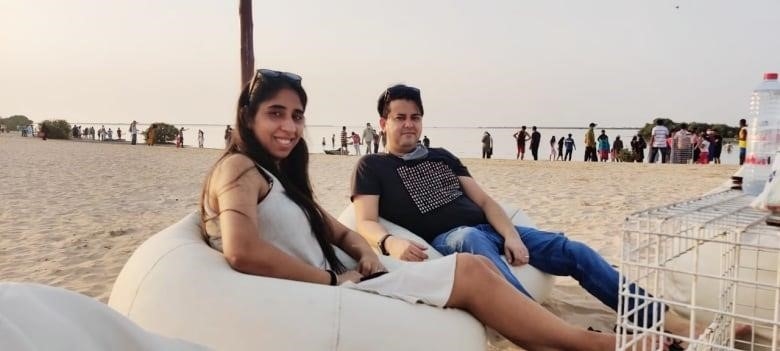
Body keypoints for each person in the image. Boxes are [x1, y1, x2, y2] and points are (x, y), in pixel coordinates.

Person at [199, 71, 632, 351]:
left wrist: (364, 254)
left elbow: (342, 231)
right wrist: (344, 270)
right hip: (337, 284)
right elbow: (243, 251)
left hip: (367, 269)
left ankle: (605, 330)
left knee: (516, 257)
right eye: (276, 114)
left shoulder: (280, 178)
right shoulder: (239, 169)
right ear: (247, 116)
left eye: (297, 115)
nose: (290, 127)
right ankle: (586, 344)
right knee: (470, 251)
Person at [350, 83, 733, 345]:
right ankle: (549, 331)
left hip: (489, 227)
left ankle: (666, 321)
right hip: (449, 239)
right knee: (471, 238)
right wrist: (391, 241)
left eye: (414, 116)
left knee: (572, 249)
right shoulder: (372, 165)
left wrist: (513, 235)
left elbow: (485, 202)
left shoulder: (443, 156)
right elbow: (365, 219)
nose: (409, 124)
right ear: (383, 123)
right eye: (399, 117)